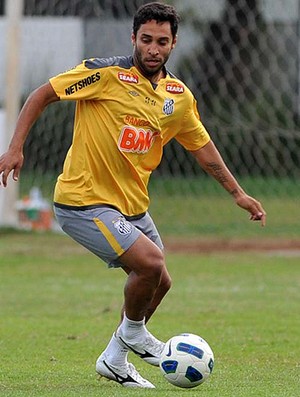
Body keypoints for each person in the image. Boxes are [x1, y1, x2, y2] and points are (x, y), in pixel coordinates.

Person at [0, 2, 266, 389]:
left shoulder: (177, 97)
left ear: (174, 43)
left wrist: (238, 194)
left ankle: (115, 357)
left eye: (162, 41)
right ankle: (136, 335)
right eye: (146, 40)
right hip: (82, 201)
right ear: (133, 38)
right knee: (150, 263)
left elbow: (202, 146)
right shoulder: (104, 74)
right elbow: (42, 94)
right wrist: (15, 148)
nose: (153, 49)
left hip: (131, 207)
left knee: (161, 280)